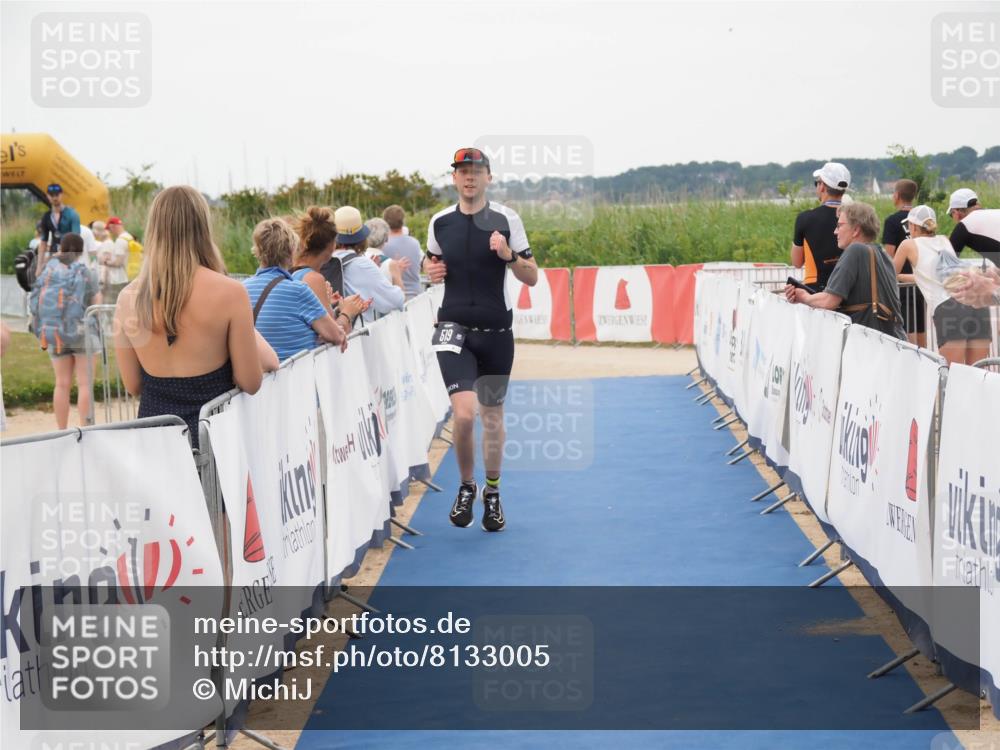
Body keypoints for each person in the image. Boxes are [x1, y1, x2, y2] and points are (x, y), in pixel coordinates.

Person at [423, 147, 539, 532]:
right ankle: (466, 486)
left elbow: (531, 275)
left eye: (476, 171)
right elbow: (432, 264)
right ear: (454, 178)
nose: (469, 177)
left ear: (489, 177)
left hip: (496, 334)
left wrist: (508, 255)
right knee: (464, 412)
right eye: (462, 171)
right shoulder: (439, 222)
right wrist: (430, 271)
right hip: (453, 330)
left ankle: (492, 492)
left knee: (492, 418)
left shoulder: (507, 219)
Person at [114, 186, 278, 449]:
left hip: (155, 441)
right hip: (215, 442)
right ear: (202, 227)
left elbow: (133, 384)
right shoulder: (230, 292)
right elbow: (250, 381)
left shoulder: (126, 298)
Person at [785, 201, 905, 340]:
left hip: (870, 341)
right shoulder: (881, 253)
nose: (835, 231)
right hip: (893, 339)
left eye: (839, 225)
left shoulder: (855, 250)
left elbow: (829, 301)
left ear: (856, 230)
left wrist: (803, 297)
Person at [892, 205, 991, 366]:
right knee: (978, 374)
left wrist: (897, 276)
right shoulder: (944, 240)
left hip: (950, 305)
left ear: (913, 226)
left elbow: (890, 274)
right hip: (976, 300)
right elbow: (935, 276)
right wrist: (906, 277)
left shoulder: (908, 244)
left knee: (950, 375)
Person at [244, 217, 348, 360]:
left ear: (257, 250)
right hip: (297, 376)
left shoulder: (243, 289)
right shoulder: (299, 291)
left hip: (260, 376)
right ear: (292, 250)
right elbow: (337, 335)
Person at [29, 233, 101, 429]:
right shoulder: (87, 272)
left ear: (61, 248)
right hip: (82, 334)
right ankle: (86, 430)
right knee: (85, 385)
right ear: (80, 251)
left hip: (54, 333)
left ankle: (61, 431)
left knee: (61, 384)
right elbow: (97, 304)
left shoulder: (47, 272)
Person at [290, 206, 369, 335]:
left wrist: (336, 308)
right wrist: (348, 312)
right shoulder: (313, 278)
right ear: (331, 245)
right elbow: (334, 334)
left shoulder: (294, 271)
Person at [333, 206, 407, 323]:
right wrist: (397, 275)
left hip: (331, 332)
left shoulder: (325, 259)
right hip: (356, 336)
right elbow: (396, 300)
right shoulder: (362, 264)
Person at [790, 162, 850, 291]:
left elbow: (797, 262)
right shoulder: (855, 217)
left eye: (816, 183)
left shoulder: (805, 218)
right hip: (849, 288)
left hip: (816, 289)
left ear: (822, 186)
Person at [881, 179, 925, 346]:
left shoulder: (892, 221)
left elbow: (889, 255)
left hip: (901, 282)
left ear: (897, 195)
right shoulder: (921, 219)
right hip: (920, 279)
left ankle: (913, 366)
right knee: (921, 327)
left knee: (907, 330)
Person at [35, 183, 81, 275]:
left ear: (61, 195)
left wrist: (66, 255)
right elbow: (43, 243)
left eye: (57, 195)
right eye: (51, 195)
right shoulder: (46, 216)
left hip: (69, 258)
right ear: (48, 196)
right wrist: (39, 267)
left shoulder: (72, 214)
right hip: (54, 257)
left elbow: (76, 240)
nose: (54, 198)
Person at [948, 188, 1000, 266]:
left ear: (955, 212)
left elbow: (947, 262)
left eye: (951, 215)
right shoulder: (995, 213)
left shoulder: (965, 224)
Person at [383, 205, 424, 298]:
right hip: (416, 295)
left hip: (393, 296)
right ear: (403, 221)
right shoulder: (415, 243)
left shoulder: (383, 245)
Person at [98, 217, 130, 304]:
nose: (110, 232)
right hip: (130, 275)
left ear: (113, 227)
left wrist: (105, 262)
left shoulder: (120, 240)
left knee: (114, 303)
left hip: (120, 279)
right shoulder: (129, 237)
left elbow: (118, 262)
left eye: (109, 229)